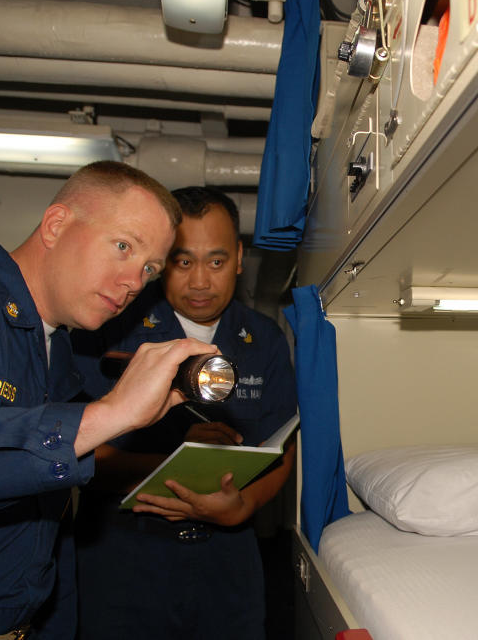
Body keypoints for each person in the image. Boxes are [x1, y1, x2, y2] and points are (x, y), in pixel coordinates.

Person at [0, 161, 221, 640]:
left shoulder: (60, 351)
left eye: (148, 269)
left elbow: (45, 528)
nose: (132, 283)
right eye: (123, 246)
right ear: (57, 224)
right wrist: (107, 415)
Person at [71, 186, 298, 640]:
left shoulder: (264, 338)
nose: (199, 282)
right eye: (181, 261)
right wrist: (181, 463)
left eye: (215, 262)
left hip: (229, 560)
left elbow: (282, 447)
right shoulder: (111, 331)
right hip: (123, 555)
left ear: (238, 257)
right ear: (159, 261)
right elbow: (70, 447)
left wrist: (244, 506)